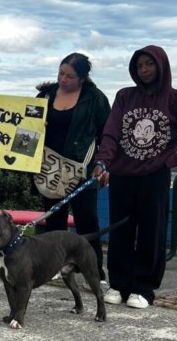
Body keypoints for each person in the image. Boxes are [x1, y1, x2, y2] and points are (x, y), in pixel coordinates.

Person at [92, 45, 177, 309]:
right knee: (120, 230)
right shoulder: (125, 96)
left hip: (155, 177)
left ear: (161, 66)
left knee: (152, 231)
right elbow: (112, 132)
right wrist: (103, 160)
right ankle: (118, 283)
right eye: (139, 66)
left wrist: (175, 160)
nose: (144, 70)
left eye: (149, 64)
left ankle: (144, 288)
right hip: (123, 175)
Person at [35, 53, 110, 283]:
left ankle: (94, 270)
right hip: (48, 168)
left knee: (87, 220)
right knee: (55, 221)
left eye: (69, 76)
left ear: (82, 78)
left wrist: (104, 163)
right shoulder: (45, 96)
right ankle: (54, 267)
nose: (63, 79)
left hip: (82, 168)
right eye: (60, 73)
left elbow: (107, 133)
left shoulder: (95, 98)